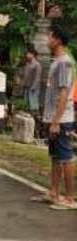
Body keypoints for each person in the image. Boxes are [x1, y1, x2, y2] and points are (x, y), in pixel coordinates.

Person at [30, 26, 75, 210]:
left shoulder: (64, 62)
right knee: (55, 157)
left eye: (49, 37)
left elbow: (64, 94)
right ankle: (54, 193)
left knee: (66, 157)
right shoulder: (57, 61)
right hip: (54, 117)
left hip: (62, 119)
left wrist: (56, 121)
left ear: (57, 40)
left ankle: (70, 199)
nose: (46, 41)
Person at [21, 46, 42, 114]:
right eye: (26, 54)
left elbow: (37, 77)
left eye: (28, 54)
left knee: (33, 104)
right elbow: (25, 75)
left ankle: (35, 116)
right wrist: (23, 84)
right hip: (26, 86)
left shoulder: (37, 65)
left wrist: (34, 87)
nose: (27, 55)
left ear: (32, 54)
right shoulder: (27, 64)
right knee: (26, 104)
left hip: (33, 88)